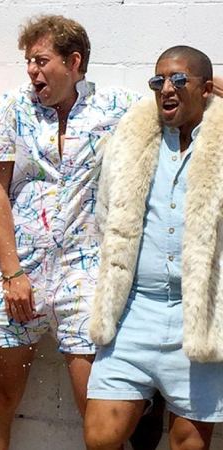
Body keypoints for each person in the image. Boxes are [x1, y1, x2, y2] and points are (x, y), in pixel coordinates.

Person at [0, 15, 146, 450]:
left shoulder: (117, 106)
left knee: (99, 414)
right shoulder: (7, 109)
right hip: (17, 268)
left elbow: (177, 105)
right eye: (28, 61)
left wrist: (209, 87)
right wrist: (12, 272)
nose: (32, 70)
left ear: (74, 62)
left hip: (85, 273)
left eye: (41, 60)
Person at [84, 45, 223, 450]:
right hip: (135, 313)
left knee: (188, 444)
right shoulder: (132, 138)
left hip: (200, 318)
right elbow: (107, 212)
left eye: (179, 79)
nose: (167, 88)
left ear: (206, 88)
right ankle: (149, 404)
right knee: (100, 438)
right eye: (158, 80)